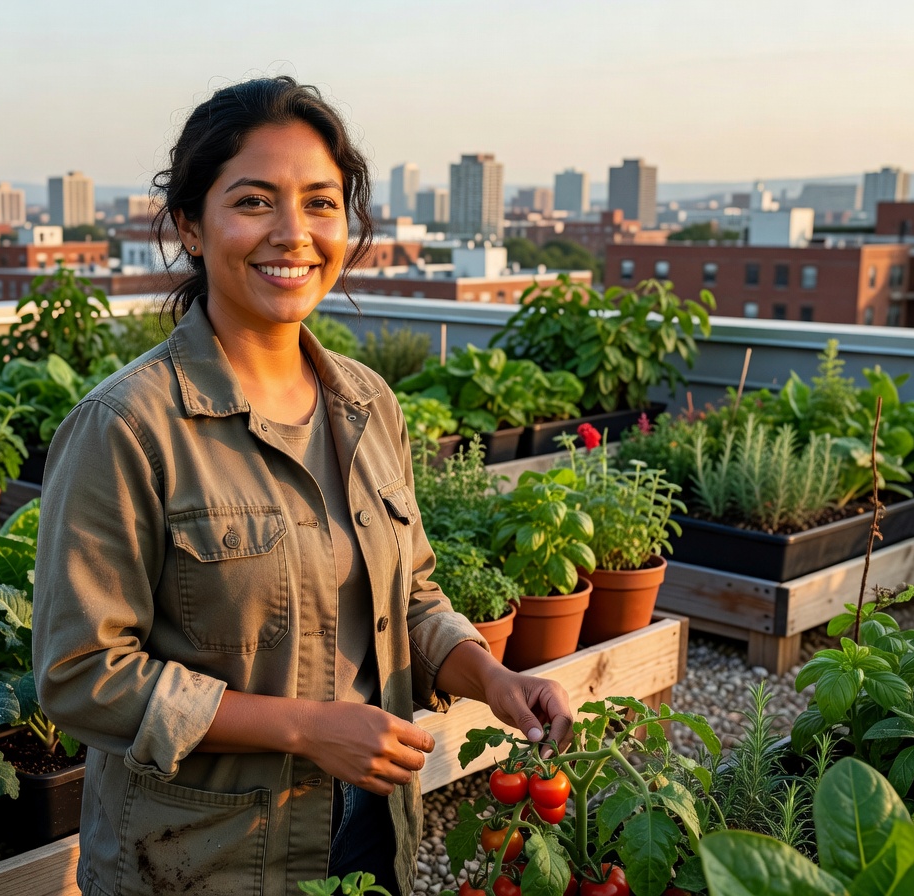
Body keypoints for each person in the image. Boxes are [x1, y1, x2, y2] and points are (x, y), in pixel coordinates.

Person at [32, 76, 573, 896]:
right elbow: (82, 674)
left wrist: (491, 677)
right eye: (253, 201)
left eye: (321, 203)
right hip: (203, 862)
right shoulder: (129, 425)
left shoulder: (367, 404)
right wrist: (305, 729)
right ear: (190, 224)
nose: (294, 234)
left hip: (369, 828)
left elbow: (413, 599)